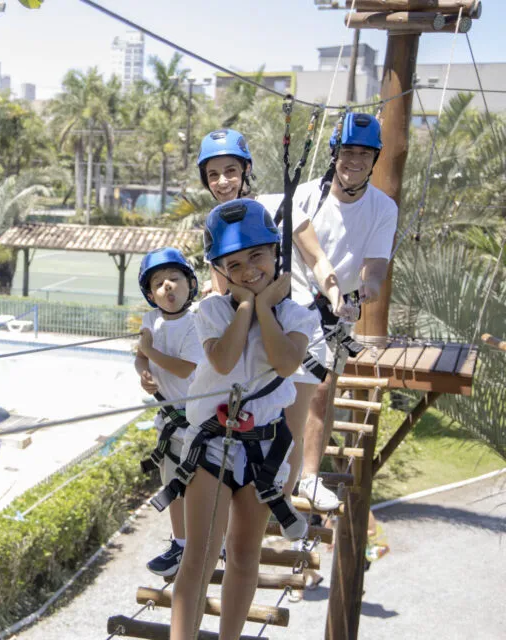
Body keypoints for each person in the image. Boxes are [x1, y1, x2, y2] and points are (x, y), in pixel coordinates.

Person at [170, 199, 315, 640]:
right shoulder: (211, 312)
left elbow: (287, 363)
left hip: (263, 450)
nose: (249, 269)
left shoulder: (296, 315)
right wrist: (251, 305)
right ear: (219, 271)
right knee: (199, 554)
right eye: (235, 263)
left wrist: (267, 307)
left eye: (258, 256)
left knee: (244, 553)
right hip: (214, 443)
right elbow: (226, 358)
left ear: (275, 255)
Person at [196, 128, 347, 507]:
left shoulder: (282, 204)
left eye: (230, 170)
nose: (223, 182)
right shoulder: (216, 224)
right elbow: (223, 287)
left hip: (294, 325)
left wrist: (334, 294)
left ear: (246, 169)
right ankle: (253, 512)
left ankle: (286, 498)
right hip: (253, 336)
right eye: (213, 175)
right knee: (257, 428)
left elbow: (315, 257)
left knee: (289, 430)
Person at [291, 112, 398, 511]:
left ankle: (309, 477)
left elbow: (376, 263)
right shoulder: (304, 196)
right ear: (334, 153)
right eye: (348, 151)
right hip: (293, 301)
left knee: (321, 392)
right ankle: (276, 471)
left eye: (364, 154)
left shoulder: (382, 208)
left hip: (335, 309)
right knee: (277, 389)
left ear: (375, 160)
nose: (355, 161)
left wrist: (368, 287)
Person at [134, 247, 203, 577]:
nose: (168, 287)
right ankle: (181, 543)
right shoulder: (150, 320)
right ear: (150, 294)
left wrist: (150, 353)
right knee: (173, 484)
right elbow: (142, 355)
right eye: (159, 284)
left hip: (200, 419)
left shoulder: (196, 322)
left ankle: (210, 541)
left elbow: (183, 367)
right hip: (169, 419)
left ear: (190, 284)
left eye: (175, 279)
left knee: (204, 484)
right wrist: (143, 371)